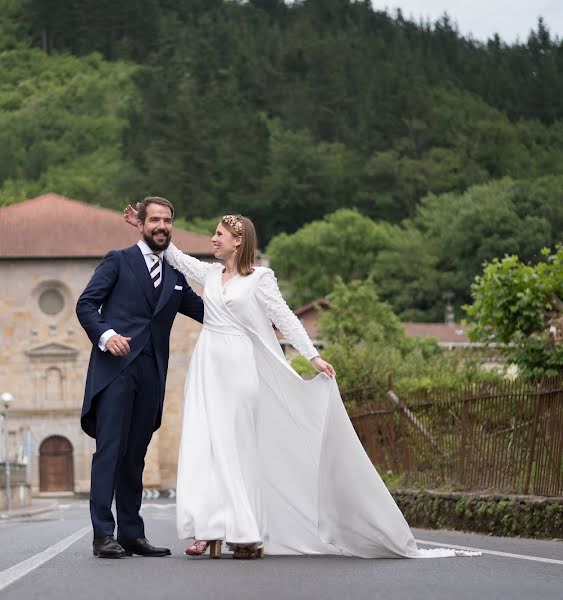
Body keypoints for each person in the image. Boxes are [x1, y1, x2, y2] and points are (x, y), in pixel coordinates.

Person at [123, 206, 476, 560]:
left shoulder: (260, 279)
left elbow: (284, 317)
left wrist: (312, 356)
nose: (213, 239)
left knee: (238, 446)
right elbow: (174, 255)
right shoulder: (211, 274)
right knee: (205, 445)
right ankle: (212, 527)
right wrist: (142, 224)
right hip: (206, 365)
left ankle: (247, 532)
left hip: (240, 366)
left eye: (219, 234)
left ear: (238, 241)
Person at [76, 196, 205, 559]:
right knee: (110, 452)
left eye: (167, 221)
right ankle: (104, 534)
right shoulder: (118, 260)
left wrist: (255, 318)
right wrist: (106, 335)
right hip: (114, 372)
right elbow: (86, 304)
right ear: (142, 224)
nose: (162, 226)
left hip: (152, 375)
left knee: (135, 457)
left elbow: (209, 313)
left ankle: (132, 533)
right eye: (155, 220)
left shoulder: (176, 277)